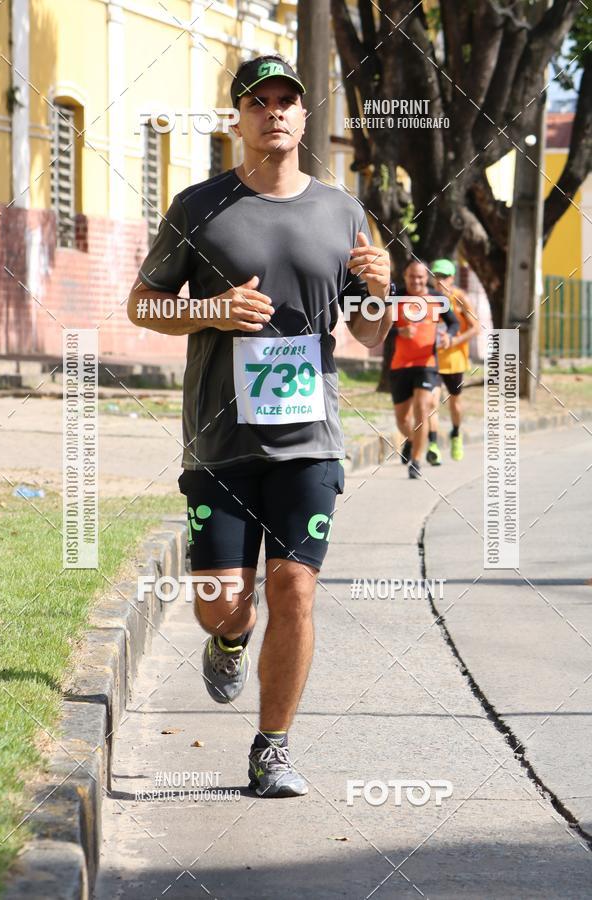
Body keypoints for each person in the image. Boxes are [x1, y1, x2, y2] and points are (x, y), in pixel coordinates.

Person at [127, 53, 393, 797]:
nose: (274, 112)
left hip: (310, 439)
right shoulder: (197, 206)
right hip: (220, 442)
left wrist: (377, 290)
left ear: (304, 117)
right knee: (223, 600)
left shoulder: (343, 212)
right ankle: (228, 638)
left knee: (296, 588)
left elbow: (370, 337)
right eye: (258, 101)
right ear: (237, 118)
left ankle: (271, 747)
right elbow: (142, 303)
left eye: (286, 101)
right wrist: (209, 310)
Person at [388, 261, 459, 479]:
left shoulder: (438, 300)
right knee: (401, 420)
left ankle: (416, 461)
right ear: (405, 276)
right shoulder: (394, 298)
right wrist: (399, 331)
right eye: (412, 277)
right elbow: (379, 329)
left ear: (426, 277)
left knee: (422, 409)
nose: (416, 281)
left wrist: (449, 336)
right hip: (400, 365)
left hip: (427, 364)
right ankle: (412, 440)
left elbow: (454, 323)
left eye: (420, 277)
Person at [426, 259, 480, 463]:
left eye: (444, 277)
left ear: (452, 278)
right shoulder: (428, 298)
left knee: (455, 403)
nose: (439, 281)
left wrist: (455, 339)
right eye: (436, 276)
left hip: (455, 359)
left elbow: (475, 327)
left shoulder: (460, 298)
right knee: (431, 401)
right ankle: (433, 445)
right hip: (433, 358)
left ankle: (456, 433)